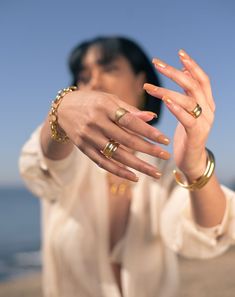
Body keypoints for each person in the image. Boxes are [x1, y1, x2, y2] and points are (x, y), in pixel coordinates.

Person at [19, 36, 235, 297]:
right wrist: (60, 111)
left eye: (109, 68)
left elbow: (207, 234)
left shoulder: (162, 167)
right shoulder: (66, 154)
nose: (94, 82)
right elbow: (39, 168)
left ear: (139, 81)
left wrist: (195, 163)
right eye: (83, 77)